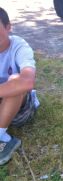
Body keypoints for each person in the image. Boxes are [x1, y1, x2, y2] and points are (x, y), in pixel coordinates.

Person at [0, 7, 39, 165]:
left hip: (22, 108)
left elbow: (27, 82)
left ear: (8, 27)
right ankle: (6, 139)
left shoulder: (19, 46)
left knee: (16, 80)